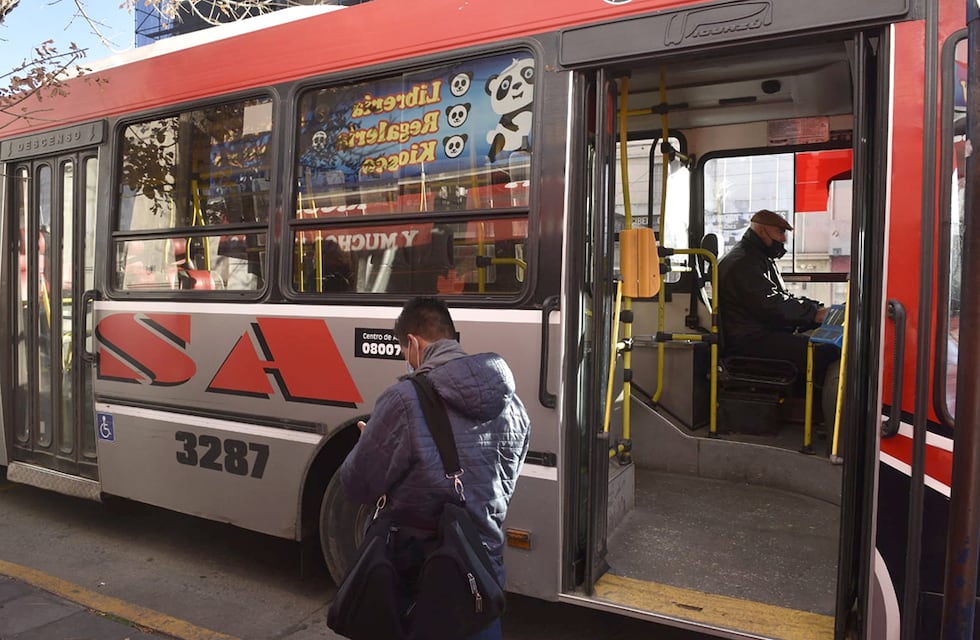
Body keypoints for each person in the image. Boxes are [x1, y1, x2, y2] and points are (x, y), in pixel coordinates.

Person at [339, 296, 531, 640]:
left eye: (403, 350)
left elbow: (357, 486)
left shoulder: (404, 399)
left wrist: (370, 443)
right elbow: (507, 478)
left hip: (423, 573)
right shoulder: (512, 402)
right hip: (482, 569)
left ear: (413, 343)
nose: (406, 360)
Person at [717, 209, 838, 399]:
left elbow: (780, 297)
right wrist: (814, 314)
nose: (783, 239)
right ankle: (813, 414)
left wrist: (816, 309)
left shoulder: (757, 257)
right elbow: (771, 304)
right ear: (762, 230)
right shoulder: (743, 263)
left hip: (758, 332)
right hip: (749, 341)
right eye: (780, 232)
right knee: (824, 352)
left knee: (818, 341)